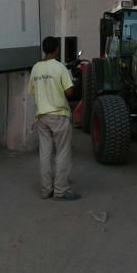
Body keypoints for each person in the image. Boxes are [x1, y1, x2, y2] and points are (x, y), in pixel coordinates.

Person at [27, 36, 79, 200]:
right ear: (56, 49)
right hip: (59, 116)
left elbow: (33, 91)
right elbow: (69, 92)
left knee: (45, 154)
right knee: (62, 152)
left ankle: (46, 190)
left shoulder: (36, 68)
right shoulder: (60, 67)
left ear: (44, 49)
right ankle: (60, 190)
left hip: (42, 117)